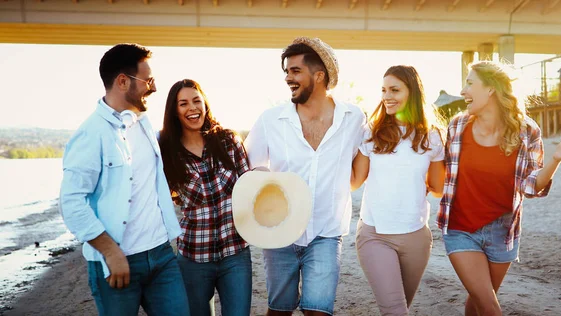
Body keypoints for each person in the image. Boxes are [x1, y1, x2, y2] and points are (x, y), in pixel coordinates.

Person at [437, 61, 561, 316]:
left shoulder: (527, 130)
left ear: (491, 89)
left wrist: (555, 160)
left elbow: (530, 187)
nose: (463, 90)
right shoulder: (457, 127)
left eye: (470, 83)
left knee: (479, 301)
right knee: (490, 306)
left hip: (503, 231)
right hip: (460, 228)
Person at [59, 43, 190, 316]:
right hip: (116, 264)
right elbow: (72, 202)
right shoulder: (90, 134)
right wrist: (111, 252)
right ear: (122, 81)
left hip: (162, 256)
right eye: (148, 80)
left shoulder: (143, 122)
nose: (153, 87)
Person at [244, 37, 366, 316]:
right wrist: (264, 178)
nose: (288, 78)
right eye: (286, 72)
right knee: (279, 310)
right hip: (278, 233)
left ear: (319, 75)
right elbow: (249, 169)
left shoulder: (353, 118)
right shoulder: (270, 120)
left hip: (326, 233)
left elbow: (358, 175)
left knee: (318, 311)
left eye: (295, 71)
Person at [350, 65, 445, 316]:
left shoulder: (432, 137)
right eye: (383, 90)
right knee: (395, 311)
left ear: (412, 93)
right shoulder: (372, 132)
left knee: (400, 308)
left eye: (394, 89)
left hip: (416, 237)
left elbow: (437, 189)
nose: (386, 96)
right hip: (375, 234)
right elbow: (355, 181)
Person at [158, 79, 252, 316]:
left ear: (205, 104)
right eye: (183, 103)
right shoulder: (167, 153)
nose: (192, 108)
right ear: (174, 111)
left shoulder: (228, 141)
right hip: (194, 258)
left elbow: (250, 189)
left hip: (235, 254)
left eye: (197, 100)